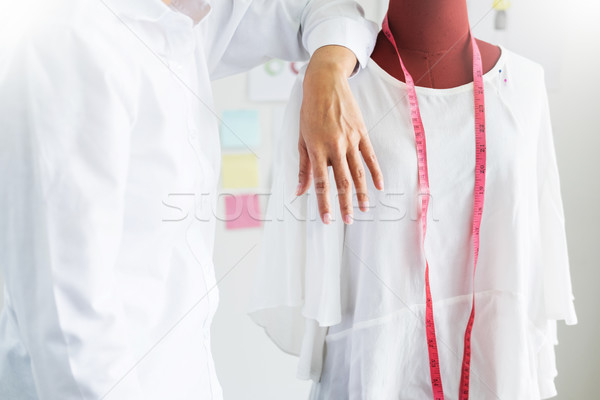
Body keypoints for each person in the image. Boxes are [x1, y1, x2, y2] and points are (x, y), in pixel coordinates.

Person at [0, 0, 384, 398]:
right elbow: (68, 334)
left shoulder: (183, 21)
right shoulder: (72, 39)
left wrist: (327, 70)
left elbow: (325, 10)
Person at [249, 0, 577, 398]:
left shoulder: (525, 82)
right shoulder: (332, 89)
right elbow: (307, 244)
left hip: (499, 360)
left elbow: (541, 228)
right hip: (376, 366)